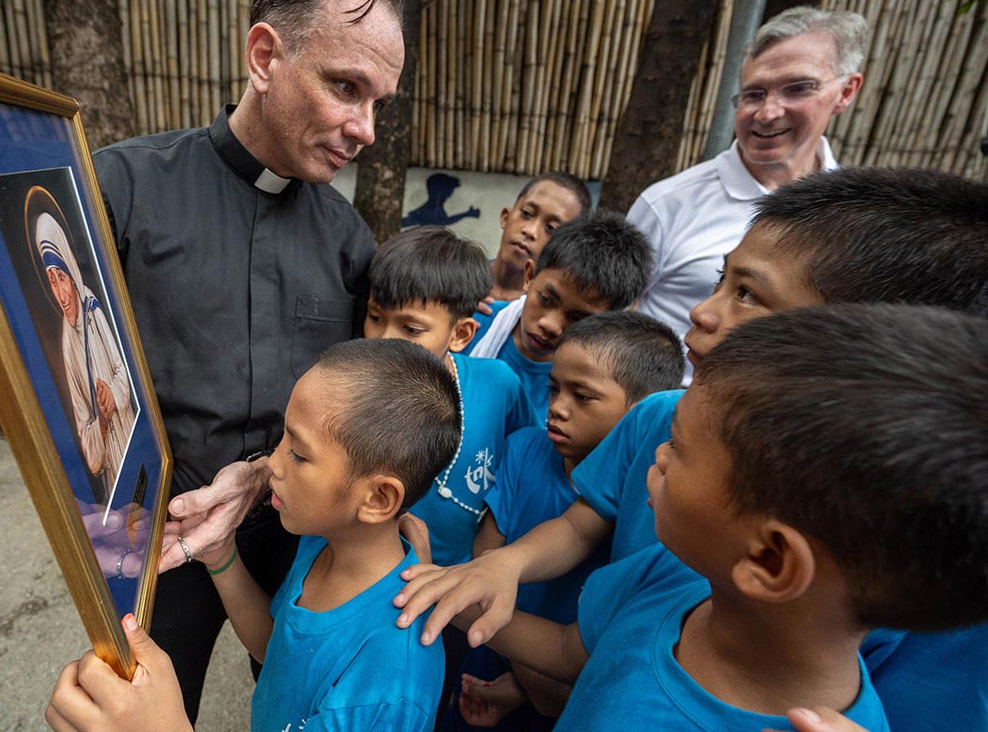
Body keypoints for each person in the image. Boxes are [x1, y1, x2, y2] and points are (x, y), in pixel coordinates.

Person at [393, 167, 988, 732]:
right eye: (720, 280)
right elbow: (572, 646)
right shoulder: (673, 578)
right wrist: (474, 576)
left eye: (749, 295)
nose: (703, 312)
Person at [92, 0, 405, 721]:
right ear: (265, 57)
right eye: (345, 86)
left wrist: (266, 473)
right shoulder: (120, 191)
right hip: (155, 544)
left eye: (377, 103)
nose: (365, 129)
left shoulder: (347, 237)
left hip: (300, 530)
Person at [458, 304, 988, 730]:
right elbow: (567, 650)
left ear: (769, 557)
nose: (658, 456)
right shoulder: (674, 576)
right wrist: (454, 594)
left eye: (679, 450)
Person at [45, 337, 459, 732]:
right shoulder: (322, 540)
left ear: (378, 499)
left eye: (298, 454)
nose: (272, 465)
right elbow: (274, 649)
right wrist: (222, 555)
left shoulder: (390, 685)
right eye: (283, 439)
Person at [454, 310, 683, 729]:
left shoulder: (643, 505)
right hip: (492, 644)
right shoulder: (525, 450)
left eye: (583, 396)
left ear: (638, 412)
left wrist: (527, 683)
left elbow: (569, 657)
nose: (557, 408)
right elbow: (489, 552)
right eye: (554, 388)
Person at [626, 6, 866, 381]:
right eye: (754, 94)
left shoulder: (859, 214)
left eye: (798, 88)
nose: (768, 113)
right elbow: (612, 319)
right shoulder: (668, 205)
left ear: (845, 91)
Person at [363, 225, 538, 567]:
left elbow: (527, 457)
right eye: (374, 317)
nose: (383, 340)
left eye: (410, 329)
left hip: (462, 584)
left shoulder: (499, 385)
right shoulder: (351, 394)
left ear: (460, 334)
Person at [466, 209, 653, 422]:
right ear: (529, 276)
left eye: (578, 318)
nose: (551, 325)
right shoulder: (470, 326)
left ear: (608, 322)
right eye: (546, 299)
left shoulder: (599, 387)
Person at [35, 208, 135, 502]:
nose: (61, 294)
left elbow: (124, 370)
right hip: (115, 471)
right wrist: (102, 421)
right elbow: (84, 429)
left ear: (72, 274)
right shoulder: (68, 343)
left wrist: (112, 396)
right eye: (51, 281)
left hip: (134, 441)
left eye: (61, 277)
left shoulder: (93, 307)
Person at [487, 172, 592, 302]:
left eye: (551, 228)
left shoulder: (540, 317)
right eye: (526, 213)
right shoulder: (458, 276)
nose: (531, 231)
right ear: (505, 217)